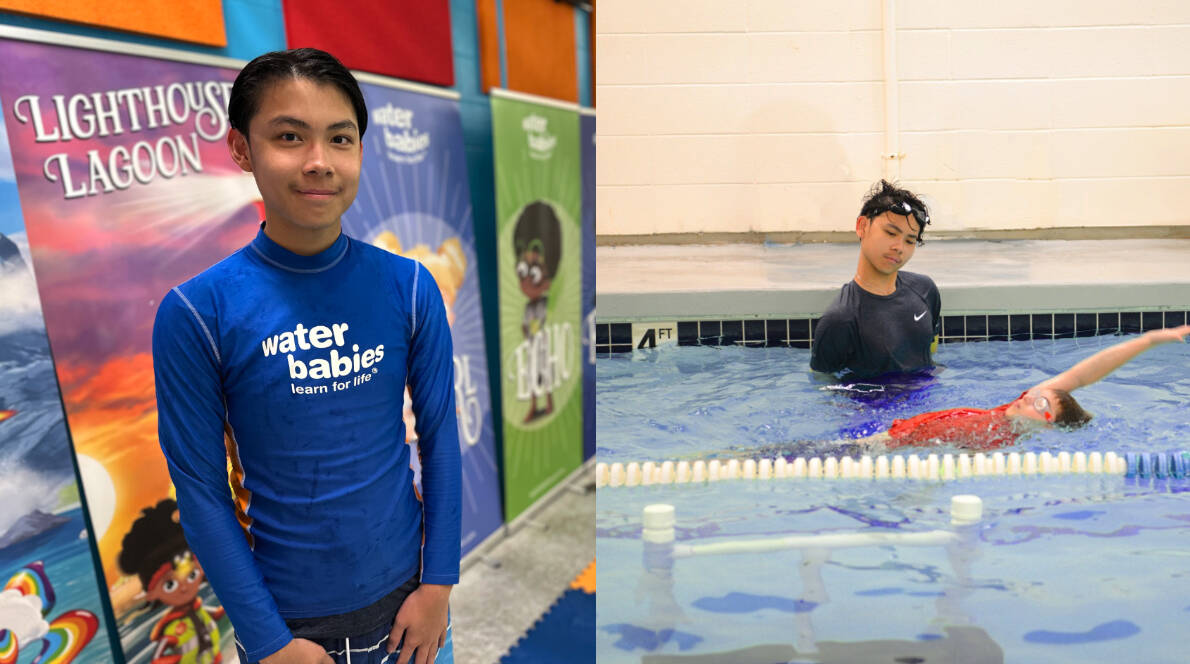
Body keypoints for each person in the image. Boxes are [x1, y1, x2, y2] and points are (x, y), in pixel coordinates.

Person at [152, 48, 460, 664]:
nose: (319, 162)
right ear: (242, 149)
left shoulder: (409, 287)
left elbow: (440, 439)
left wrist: (438, 586)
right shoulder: (196, 313)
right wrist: (269, 643)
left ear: (360, 152)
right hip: (289, 630)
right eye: (290, 136)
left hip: (412, 611)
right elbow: (201, 491)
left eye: (339, 138)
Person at [854, 325, 1190, 451]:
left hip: (893, 449)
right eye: (1034, 394)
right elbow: (1084, 374)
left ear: (1046, 423)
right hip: (890, 436)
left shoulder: (1005, 444)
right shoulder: (1009, 412)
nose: (1031, 396)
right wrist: (1147, 341)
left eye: (1039, 403)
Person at [811, 180, 940, 378]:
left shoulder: (925, 290)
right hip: (874, 406)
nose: (899, 247)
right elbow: (822, 384)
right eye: (890, 233)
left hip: (927, 402)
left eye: (909, 240)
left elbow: (930, 353)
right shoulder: (841, 319)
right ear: (862, 226)